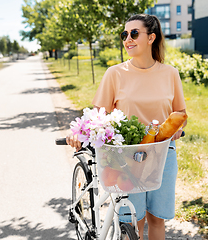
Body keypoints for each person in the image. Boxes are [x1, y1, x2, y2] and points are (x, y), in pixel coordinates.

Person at [67, 13, 187, 240]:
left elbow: (180, 112)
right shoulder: (115, 73)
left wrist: (178, 127)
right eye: (124, 34)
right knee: (133, 220)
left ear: (151, 37)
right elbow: (97, 115)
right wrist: (77, 133)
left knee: (157, 219)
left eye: (134, 33)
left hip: (162, 154)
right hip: (125, 156)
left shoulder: (170, 73)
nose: (127, 39)